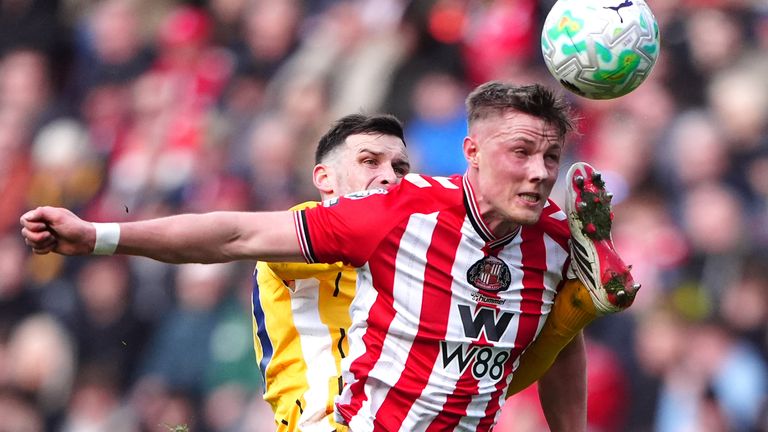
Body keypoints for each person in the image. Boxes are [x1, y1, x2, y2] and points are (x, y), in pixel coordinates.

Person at [21, 82, 638, 432]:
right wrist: (99, 234)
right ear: (470, 150)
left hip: (468, 402)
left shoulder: (555, 233)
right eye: (521, 152)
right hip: (331, 423)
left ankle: (582, 300)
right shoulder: (391, 213)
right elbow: (231, 235)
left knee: (491, 359)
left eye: (551, 158)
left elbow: (546, 361)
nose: (539, 173)